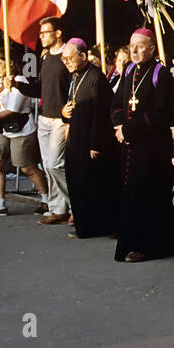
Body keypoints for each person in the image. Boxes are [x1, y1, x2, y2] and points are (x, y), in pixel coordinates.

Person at [111, 28, 174, 262]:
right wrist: (118, 126)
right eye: (131, 46)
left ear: (152, 48)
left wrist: (128, 130)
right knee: (131, 194)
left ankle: (150, 245)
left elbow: (160, 113)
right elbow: (117, 102)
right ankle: (131, 241)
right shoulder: (130, 69)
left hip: (152, 148)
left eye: (140, 46)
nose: (134, 50)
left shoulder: (160, 74)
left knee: (149, 195)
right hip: (129, 144)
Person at [0, 46, 48, 217]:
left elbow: (14, 110)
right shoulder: (1, 81)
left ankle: (47, 198)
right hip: (2, 128)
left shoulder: (20, 81)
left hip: (20, 128)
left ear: (10, 63)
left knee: (26, 167)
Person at [60, 40, 118, 239]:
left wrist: (96, 143)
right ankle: (83, 225)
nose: (66, 62)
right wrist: (63, 114)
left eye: (69, 58)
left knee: (93, 185)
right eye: (64, 58)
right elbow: (72, 105)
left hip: (91, 141)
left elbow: (100, 115)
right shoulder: (75, 77)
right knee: (77, 182)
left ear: (83, 56)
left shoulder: (96, 78)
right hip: (76, 137)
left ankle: (99, 226)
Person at [20, 16, 71, 225]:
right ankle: (57, 207)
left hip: (61, 119)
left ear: (57, 33)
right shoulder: (44, 57)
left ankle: (74, 204)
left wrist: (70, 117)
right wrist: (17, 85)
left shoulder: (67, 55)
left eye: (45, 33)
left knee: (56, 164)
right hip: (45, 117)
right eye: (40, 34)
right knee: (48, 164)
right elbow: (39, 87)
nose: (41, 37)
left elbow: (73, 85)